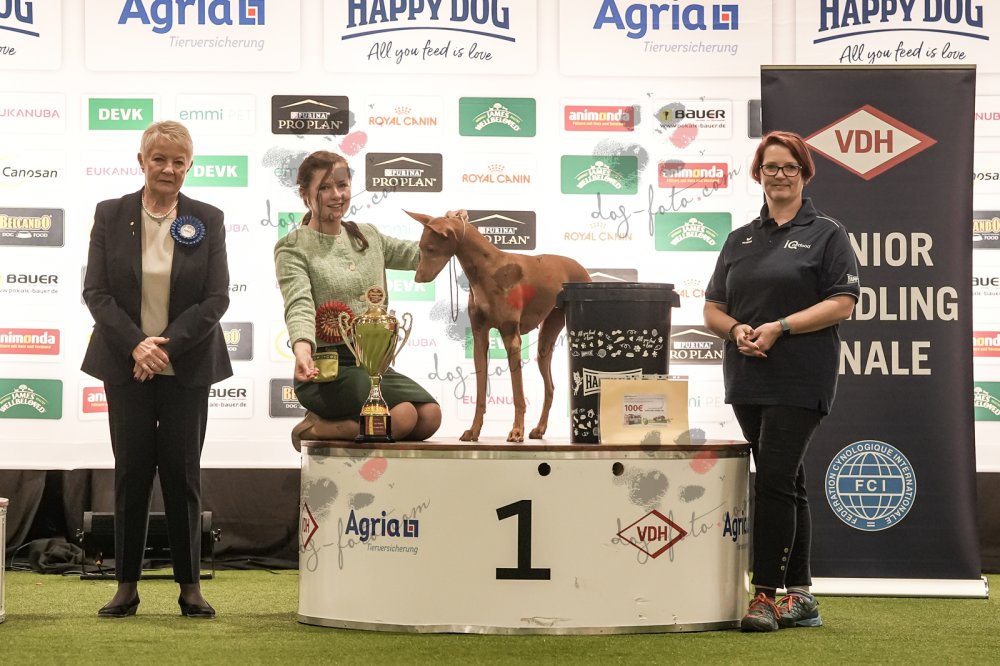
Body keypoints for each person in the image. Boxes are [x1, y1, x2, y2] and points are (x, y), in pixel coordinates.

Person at [703, 130, 860, 632]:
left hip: (801, 376)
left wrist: (781, 326)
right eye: (771, 167)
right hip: (747, 375)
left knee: (772, 479)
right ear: (758, 174)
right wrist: (737, 330)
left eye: (790, 167)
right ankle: (802, 596)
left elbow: (843, 303)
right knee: (787, 480)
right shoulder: (739, 238)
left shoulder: (827, 233)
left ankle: (765, 595)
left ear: (804, 174)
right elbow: (713, 306)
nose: (780, 175)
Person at [82, 120, 231, 619]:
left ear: (189, 166)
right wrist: (136, 346)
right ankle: (126, 586)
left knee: (183, 475)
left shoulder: (207, 218)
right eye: (159, 159)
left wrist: (164, 349)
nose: (168, 169)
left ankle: (190, 586)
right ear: (142, 161)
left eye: (178, 161)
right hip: (126, 365)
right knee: (131, 474)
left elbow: (216, 297)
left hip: (186, 366)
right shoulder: (110, 214)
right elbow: (96, 292)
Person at [275, 150, 442, 446]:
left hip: (374, 364)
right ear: (305, 195)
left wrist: (453, 229)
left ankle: (332, 425)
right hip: (329, 369)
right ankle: (312, 430)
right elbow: (299, 304)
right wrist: (302, 349)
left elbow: (420, 255)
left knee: (430, 416)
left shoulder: (368, 236)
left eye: (343, 185)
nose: (337, 195)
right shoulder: (293, 247)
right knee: (402, 417)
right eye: (325, 187)